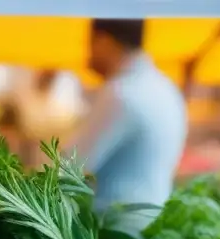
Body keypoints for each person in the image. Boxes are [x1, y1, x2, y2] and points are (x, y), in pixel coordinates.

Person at [69, 19, 186, 211]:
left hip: (112, 231)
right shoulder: (167, 88)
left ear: (105, 40)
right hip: (149, 221)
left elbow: (68, 167)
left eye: (90, 43)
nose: (87, 53)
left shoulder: (121, 93)